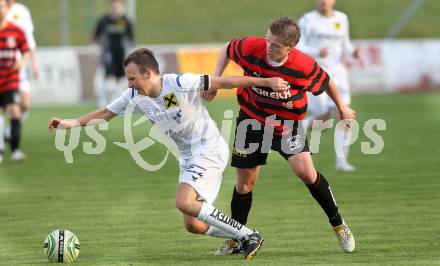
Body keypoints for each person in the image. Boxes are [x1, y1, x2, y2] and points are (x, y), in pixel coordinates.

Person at [48, 48, 290, 260]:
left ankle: (248, 235)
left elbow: (224, 82)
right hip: (187, 155)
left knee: (184, 202)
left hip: (208, 147)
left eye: (132, 78)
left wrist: (266, 82)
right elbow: (105, 113)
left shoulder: (179, 83)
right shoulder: (134, 95)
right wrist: (72, 124)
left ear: (149, 73)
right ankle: (241, 236)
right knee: (193, 224)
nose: (129, 83)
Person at [204, 16, 356, 255]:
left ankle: (338, 223)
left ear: (290, 47)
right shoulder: (252, 47)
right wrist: (215, 78)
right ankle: (238, 237)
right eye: (267, 40)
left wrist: (342, 108)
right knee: (244, 183)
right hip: (252, 121)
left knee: (306, 172)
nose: (268, 46)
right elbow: (227, 47)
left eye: (275, 44)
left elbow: (326, 81)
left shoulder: (302, 65)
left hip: (287, 125)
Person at [298, 0, 362, 172]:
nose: (323, 1)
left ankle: (342, 162)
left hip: (338, 75)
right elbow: (298, 45)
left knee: (345, 114)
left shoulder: (342, 18)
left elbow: (345, 45)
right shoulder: (307, 19)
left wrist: (353, 52)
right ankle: (297, 127)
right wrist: (316, 52)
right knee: (323, 120)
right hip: (314, 73)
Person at [3, 0, 39, 145]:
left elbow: (29, 40)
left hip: (18, 66)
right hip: (2, 67)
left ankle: (8, 132)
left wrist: (34, 62)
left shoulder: (22, 11)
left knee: (25, 103)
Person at [0, 0, 29, 164]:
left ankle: (16, 151)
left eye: (1, 7)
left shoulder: (15, 30)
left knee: (15, 111)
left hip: (10, 77)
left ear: (7, 8)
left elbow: (26, 50)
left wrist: (22, 61)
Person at [92, 0, 134, 108]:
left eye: (118, 4)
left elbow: (131, 39)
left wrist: (131, 54)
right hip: (108, 54)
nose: (116, 6)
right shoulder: (104, 20)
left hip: (122, 55)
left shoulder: (125, 21)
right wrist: (94, 47)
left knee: (121, 81)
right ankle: (105, 104)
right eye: (114, 4)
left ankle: (113, 103)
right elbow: (95, 36)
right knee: (109, 80)